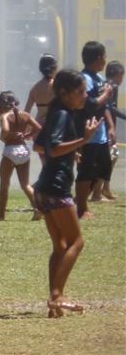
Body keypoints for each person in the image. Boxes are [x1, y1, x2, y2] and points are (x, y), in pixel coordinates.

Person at [32, 69, 102, 317]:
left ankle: (54, 305)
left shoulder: (56, 112)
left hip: (43, 187)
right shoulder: (62, 114)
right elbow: (52, 149)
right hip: (57, 187)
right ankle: (57, 296)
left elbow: (39, 144)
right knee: (77, 242)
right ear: (65, 92)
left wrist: (72, 151)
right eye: (81, 91)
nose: (84, 96)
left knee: (60, 245)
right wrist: (83, 141)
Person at [74, 41, 113, 219]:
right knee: (86, 171)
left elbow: (103, 106)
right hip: (88, 134)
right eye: (104, 56)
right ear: (98, 58)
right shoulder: (85, 79)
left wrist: (110, 126)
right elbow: (89, 104)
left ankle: (78, 201)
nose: (105, 60)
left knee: (102, 170)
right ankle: (81, 207)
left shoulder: (98, 78)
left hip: (100, 134)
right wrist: (106, 93)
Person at [0, 91, 41, 221]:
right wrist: (27, 135)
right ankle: (38, 209)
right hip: (24, 150)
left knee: (4, 185)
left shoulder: (5, 116)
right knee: (26, 185)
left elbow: (5, 130)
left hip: (10, 150)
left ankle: (1, 215)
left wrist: (3, 137)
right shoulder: (25, 115)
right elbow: (38, 128)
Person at [95, 61, 124, 201]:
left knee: (112, 156)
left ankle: (105, 188)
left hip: (106, 126)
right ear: (117, 74)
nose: (122, 79)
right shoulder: (111, 86)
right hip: (107, 128)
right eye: (122, 75)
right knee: (110, 157)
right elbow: (111, 108)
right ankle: (101, 189)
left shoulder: (105, 84)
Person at [25, 54, 59, 127]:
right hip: (54, 125)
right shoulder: (57, 86)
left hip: (38, 126)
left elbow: (26, 112)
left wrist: (28, 127)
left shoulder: (34, 88)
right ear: (54, 68)